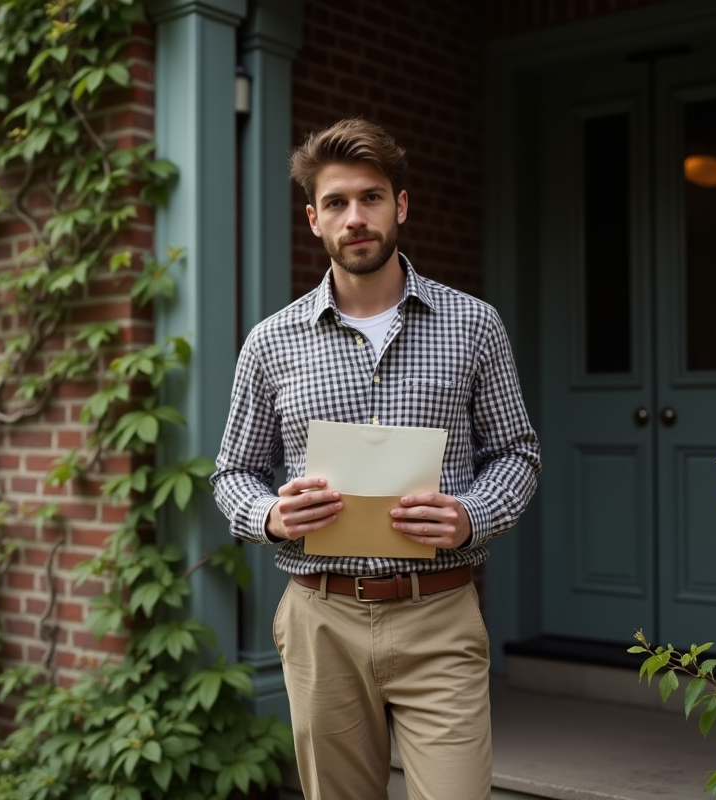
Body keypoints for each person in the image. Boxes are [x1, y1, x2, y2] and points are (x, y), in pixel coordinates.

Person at [211, 118, 541, 800]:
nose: (354, 217)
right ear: (312, 218)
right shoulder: (270, 343)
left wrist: (470, 517)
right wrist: (271, 513)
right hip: (319, 619)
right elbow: (231, 474)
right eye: (335, 203)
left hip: (439, 615)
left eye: (371, 197)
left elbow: (518, 453)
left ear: (401, 205)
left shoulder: (473, 325)